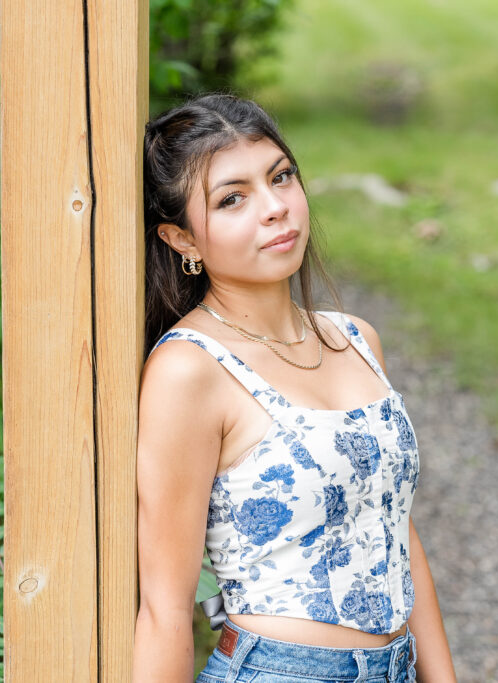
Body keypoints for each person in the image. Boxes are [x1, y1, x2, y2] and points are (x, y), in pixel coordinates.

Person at [133, 93, 458, 682]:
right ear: (182, 240)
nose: (275, 208)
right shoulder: (191, 370)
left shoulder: (356, 339)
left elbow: (396, 530)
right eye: (232, 198)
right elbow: (165, 608)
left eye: (280, 177)